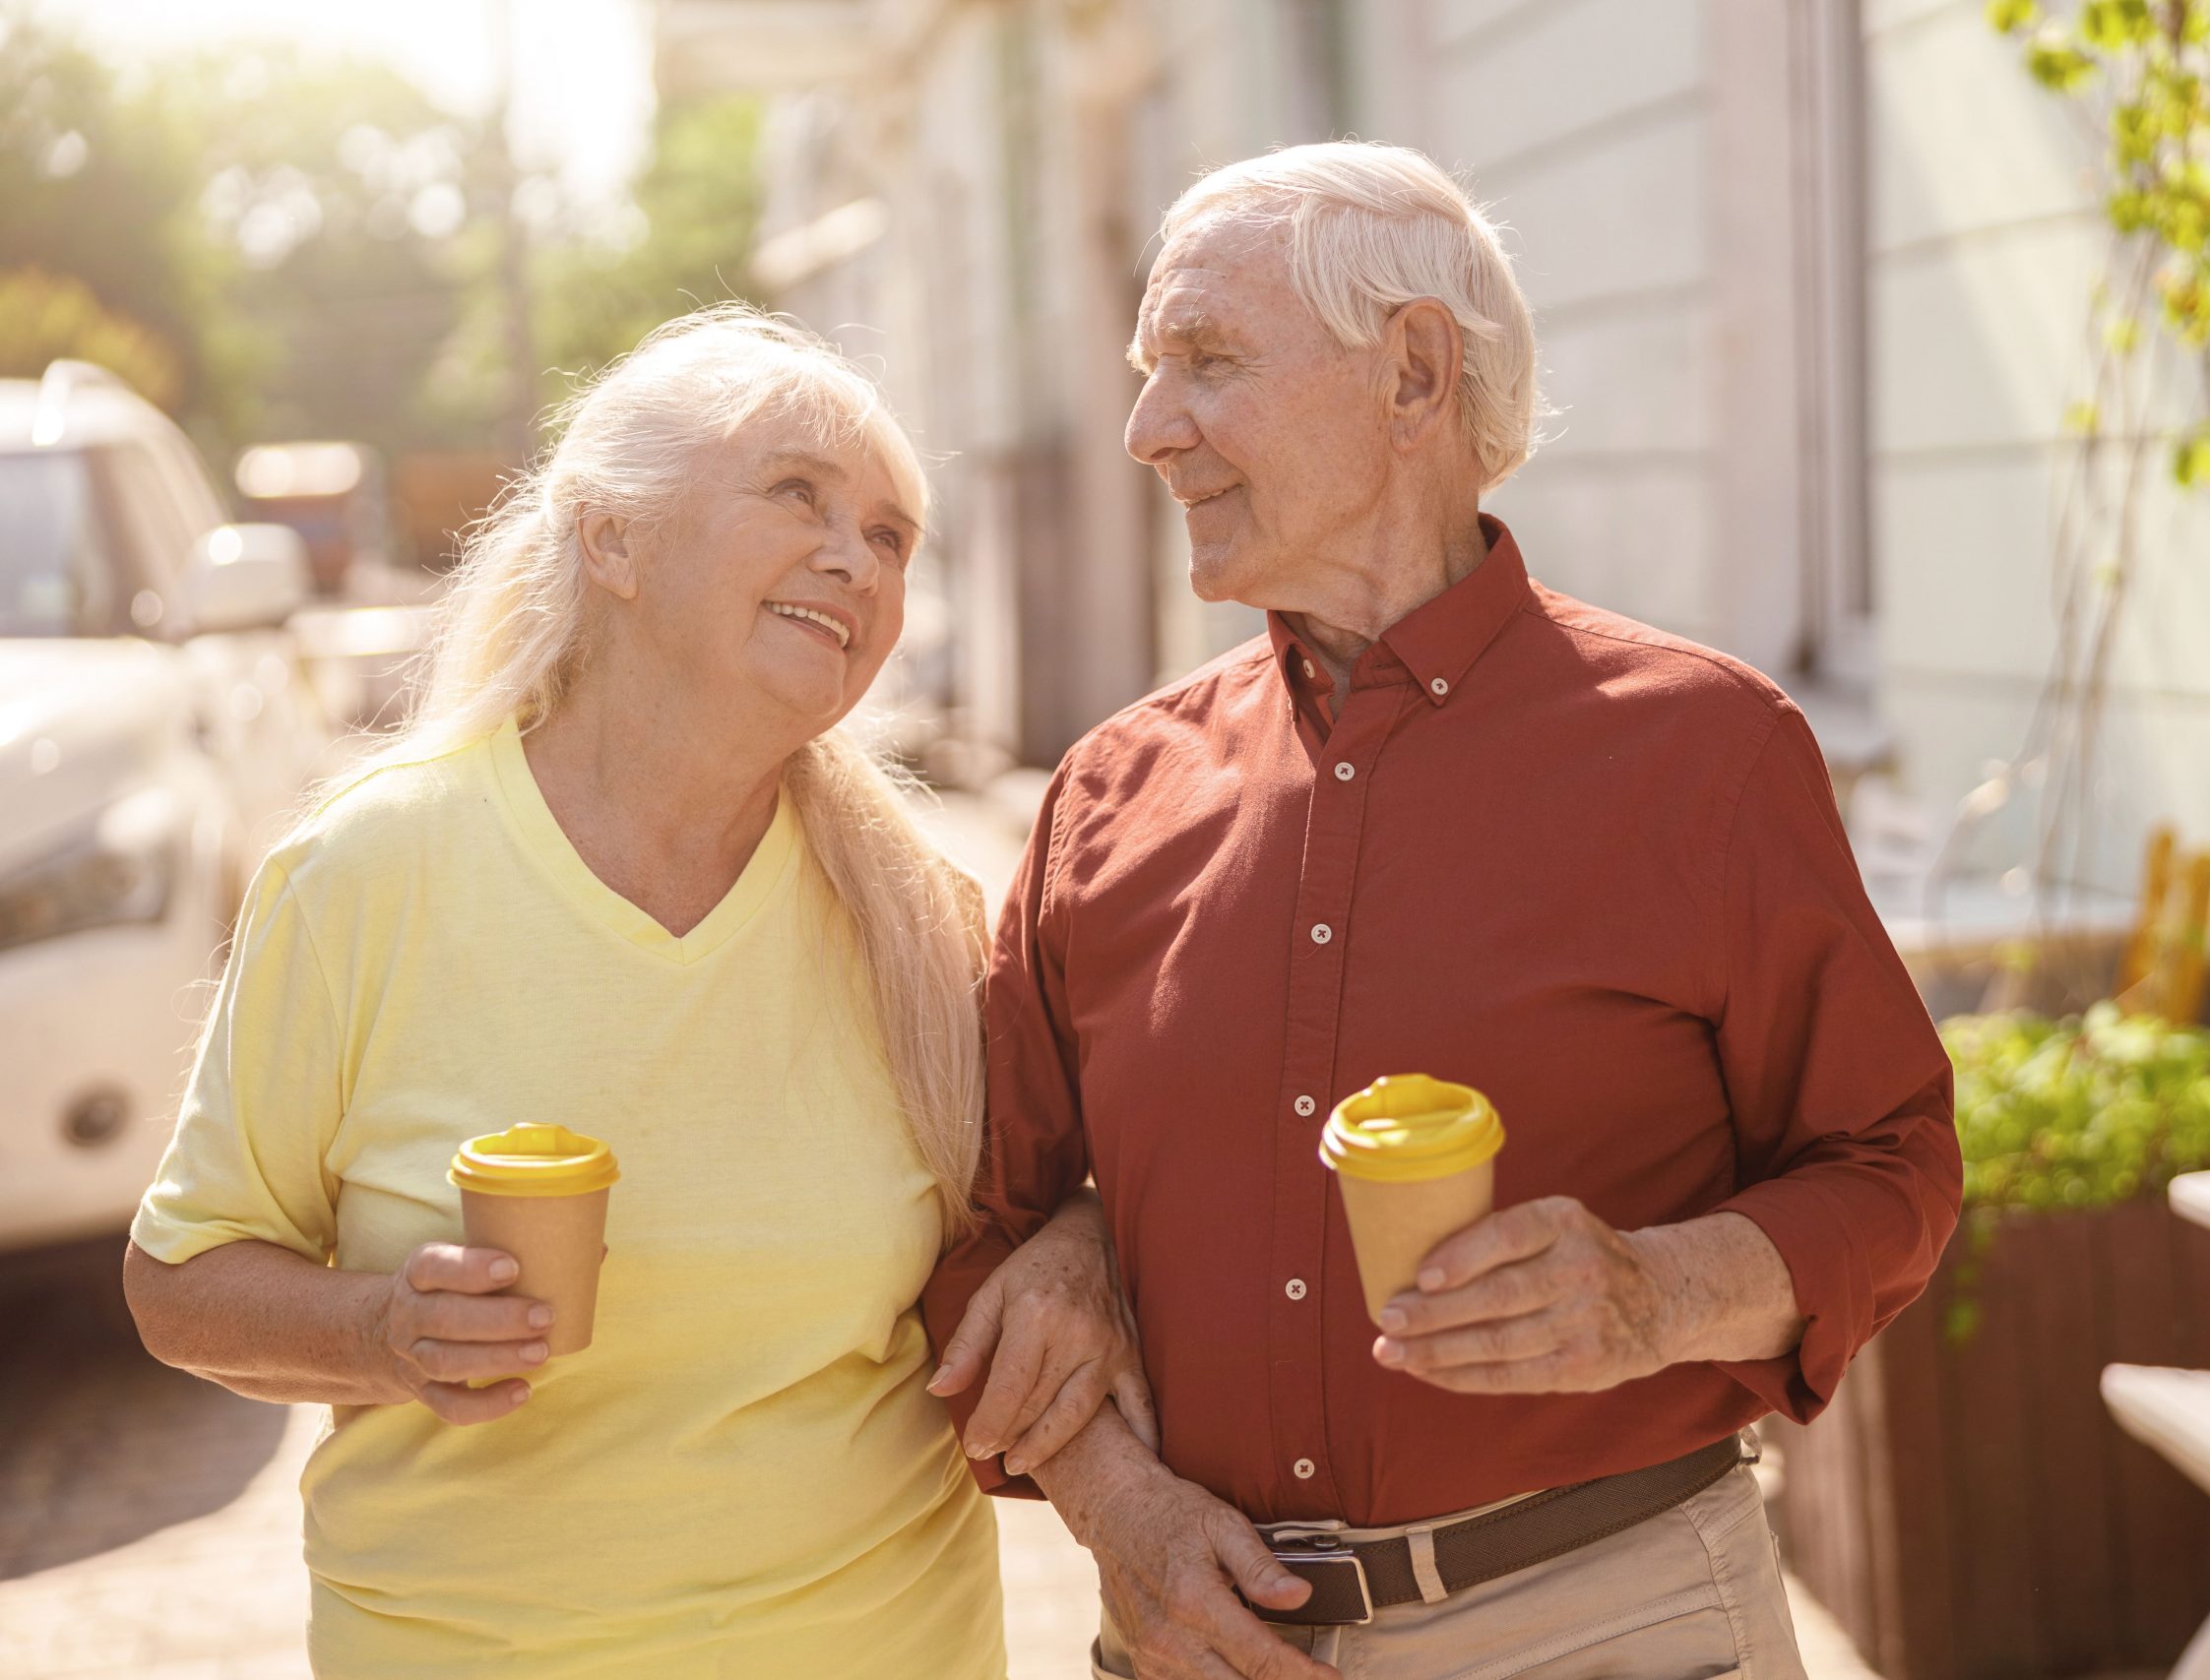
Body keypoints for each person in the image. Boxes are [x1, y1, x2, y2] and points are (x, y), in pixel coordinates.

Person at [919, 143, 1964, 1679]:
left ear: (1412, 374)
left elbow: (1893, 1171)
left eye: (1206, 360)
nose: (1149, 431)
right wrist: (1113, 1498)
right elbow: (974, 1237)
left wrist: (1657, 1294)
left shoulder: (1705, 754)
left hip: (1617, 1623)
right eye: (1151, 373)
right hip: (1204, 1638)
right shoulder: (1104, 795)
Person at [122, 307, 1145, 1678]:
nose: (855, 556)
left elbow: (1062, 1202)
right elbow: (181, 1278)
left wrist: (1080, 1251)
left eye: (892, 535)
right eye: (798, 494)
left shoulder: (923, 911)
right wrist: (384, 1332)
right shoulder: (372, 869)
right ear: (612, 540)